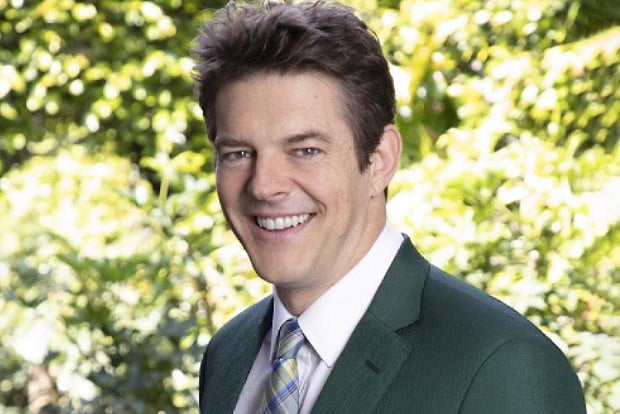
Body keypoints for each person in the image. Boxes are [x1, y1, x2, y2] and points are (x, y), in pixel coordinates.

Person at [191, 1, 586, 413]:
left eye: (305, 150)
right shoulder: (228, 354)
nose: (264, 186)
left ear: (380, 160)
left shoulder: (505, 366)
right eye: (238, 154)